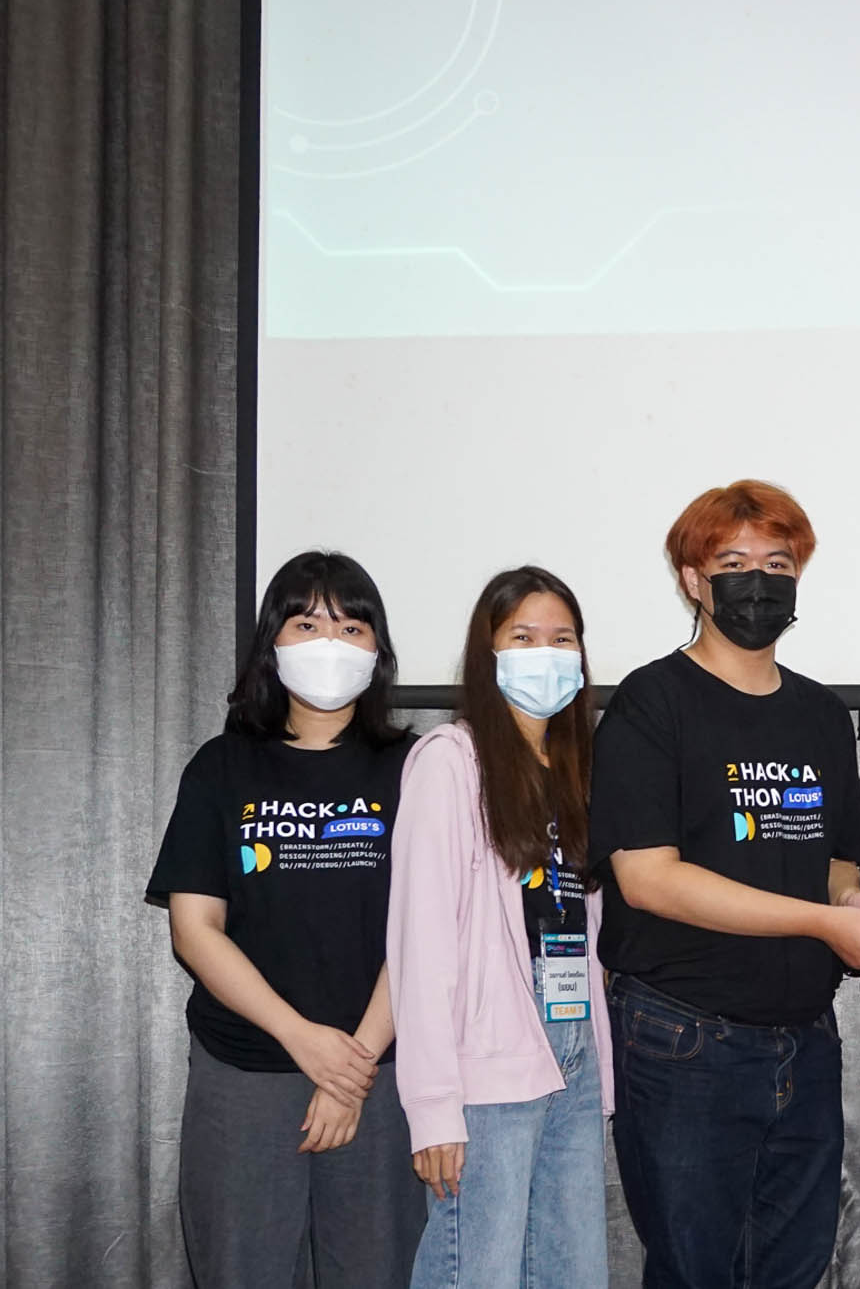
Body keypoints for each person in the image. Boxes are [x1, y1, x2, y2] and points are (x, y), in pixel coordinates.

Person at [591, 481, 860, 1289]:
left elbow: (836, 859)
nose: (757, 581)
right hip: (687, 1038)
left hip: (806, 1038)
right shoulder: (652, 702)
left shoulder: (822, 714)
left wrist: (847, 903)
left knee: (793, 1269)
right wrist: (820, 921)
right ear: (693, 580)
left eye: (777, 562)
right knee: (696, 1272)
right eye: (732, 563)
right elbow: (648, 880)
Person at [145, 550, 424, 1288]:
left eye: (351, 627)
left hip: (380, 1072)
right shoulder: (222, 766)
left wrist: (350, 1070)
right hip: (247, 1070)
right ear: (271, 643)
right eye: (307, 624)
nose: (331, 642)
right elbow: (195, 930)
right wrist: (303, 1040)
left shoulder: (417, 767)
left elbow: (430, 929)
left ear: (378, 650)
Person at [388, 566, 612, 1288]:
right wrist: (433, 1108)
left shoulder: (577, 771)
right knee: (477, 1270)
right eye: (523, 637)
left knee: (573, 1271)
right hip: (488, 1058)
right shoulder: (450, 762)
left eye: (562, 639)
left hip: (573, 1045)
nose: (546, 653)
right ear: (487, 653)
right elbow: (420, 945)